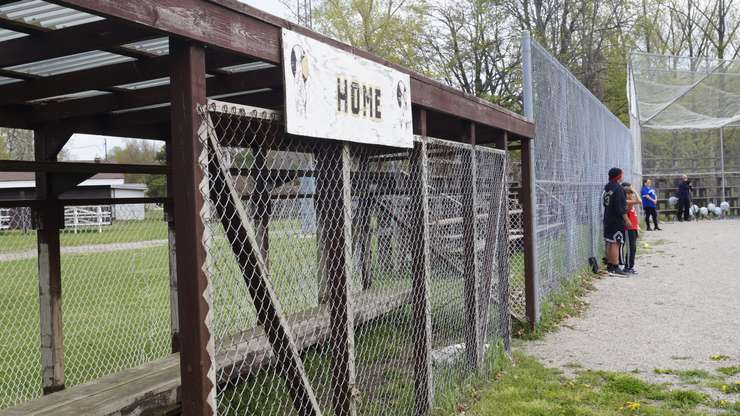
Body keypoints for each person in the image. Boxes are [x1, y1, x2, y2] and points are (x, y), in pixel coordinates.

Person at [603, 167, 631, 276]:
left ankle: (610, 265)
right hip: (616, 220)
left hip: (608, 218)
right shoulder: (618, 189)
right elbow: (621, 207)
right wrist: (626, 219)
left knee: (610, 241)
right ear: (618, 176)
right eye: (622, 174)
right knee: (616, 242)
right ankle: (615, 266)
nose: (623, 176)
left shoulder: (607, 188)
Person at [622, 182, 641, 274]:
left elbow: (634, 216)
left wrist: (637, 227)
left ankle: (630, 266)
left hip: (633, 228)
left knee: (633, 248)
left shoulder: (630, 202)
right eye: (628, 193)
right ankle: (627, 267)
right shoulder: (626, 202)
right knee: (630, 248)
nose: (630, 195)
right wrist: (635, 191)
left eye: (631, 193)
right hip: (628, 229)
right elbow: (639, 201)